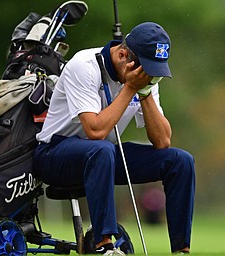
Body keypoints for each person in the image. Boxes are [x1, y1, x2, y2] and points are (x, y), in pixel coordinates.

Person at [34, 22, 195, 254]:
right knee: (101, 149)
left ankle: (181, 249)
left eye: (155, 72)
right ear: (122, 55)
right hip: (55, 154)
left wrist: (145, 91)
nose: (149, 77)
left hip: (102, 156)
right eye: (146, 69)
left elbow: (162, 141)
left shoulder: (144, 80)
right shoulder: (84, 65)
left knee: (180, 160)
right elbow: (95, 131)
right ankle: (104, 245)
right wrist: (130, 88)